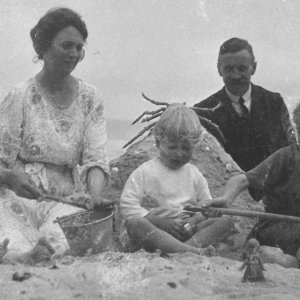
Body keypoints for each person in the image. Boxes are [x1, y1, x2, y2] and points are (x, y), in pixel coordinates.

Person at [0, 7, 109, 264]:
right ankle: (20, 257)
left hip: (64, 195)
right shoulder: (19, 96)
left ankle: (32, 255)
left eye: (78, 47)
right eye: (66, 46)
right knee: (10, 234)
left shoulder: (90, 97)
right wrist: (12, 177)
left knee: (59, 237)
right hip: (17, 194)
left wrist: (92, 198)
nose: (73, 54)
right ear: (44, 47)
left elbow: (97, 158)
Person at [120, 104, 234, 255]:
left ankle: (180, 249)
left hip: (185, 232)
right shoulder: (144, 172)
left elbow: (204, 208)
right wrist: (160, 222)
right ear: (158, 143)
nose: (179, 154)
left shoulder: (195, 175)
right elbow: (128, 207)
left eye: (186, 149)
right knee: (134, 223)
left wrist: (193, 221)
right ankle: (191, 251)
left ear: (195, 146)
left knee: (226, 221)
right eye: (173, 147)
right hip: (154, 232)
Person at [201, 101, 300, 268]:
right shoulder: (288, 157)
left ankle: (273, 257)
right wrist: (226, 198)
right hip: (279, 228)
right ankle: (268, 255)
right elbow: (242, 179)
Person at [194, 37, 295, 173]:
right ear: (219, 69)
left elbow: (290, 152)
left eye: (242, 68)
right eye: (228, 69)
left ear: (253, 67)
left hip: (273, 189)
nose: (235, 76)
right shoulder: (203, 111)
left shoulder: (274, 102)